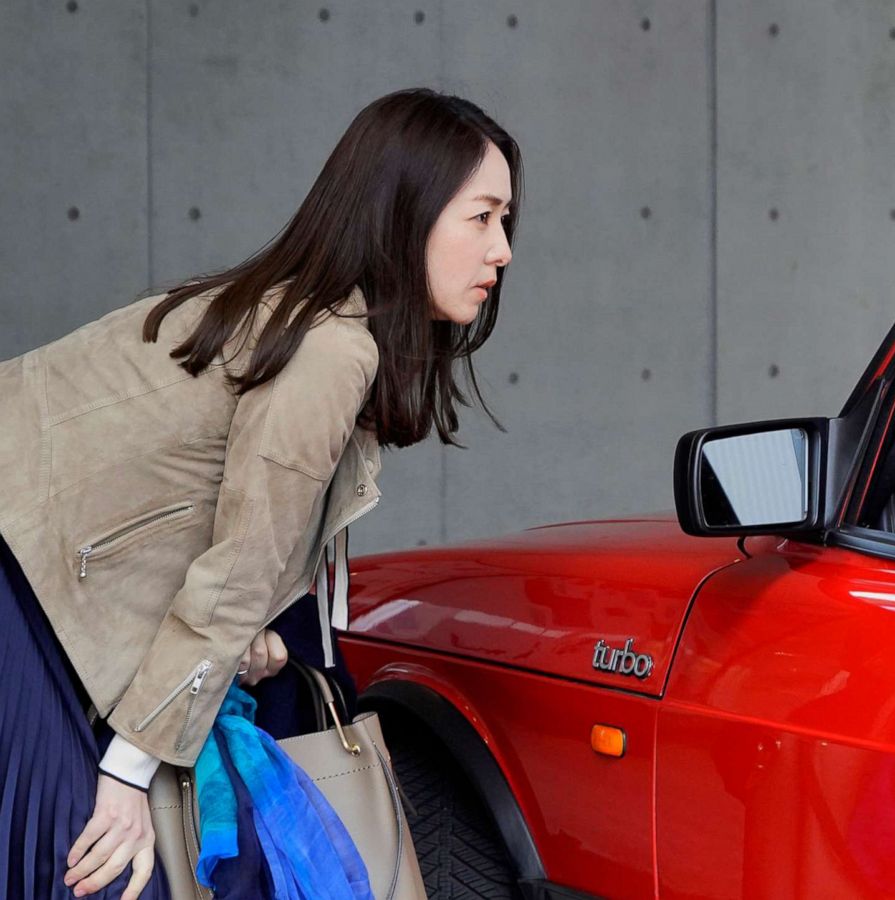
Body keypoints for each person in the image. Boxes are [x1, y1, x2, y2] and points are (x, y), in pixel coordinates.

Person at [0, 87, 520, 898]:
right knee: (86, 869)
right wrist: (132, 771)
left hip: (37, 589)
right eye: (481, 217)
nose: (503, 251)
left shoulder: (286, 314)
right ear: (406, 212)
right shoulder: (330, 351)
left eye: (505, 221)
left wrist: (247, 646)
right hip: (21, 589)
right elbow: (237, 570)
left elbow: (183, 522)